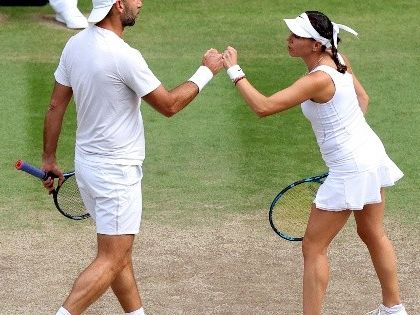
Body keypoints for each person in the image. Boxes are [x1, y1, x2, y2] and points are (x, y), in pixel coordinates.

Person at [41, 0, 223, 314]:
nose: (140, 3)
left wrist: (48, 159)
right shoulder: (125, 56)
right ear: (118, 5)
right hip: (116, 173)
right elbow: (169, 105)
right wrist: (206, 71)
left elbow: (56, 106)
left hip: (88, 168)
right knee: (111, 260)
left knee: (118, 254)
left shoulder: (74, 45)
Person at [222, 10, 407, 315]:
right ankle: (393, 308)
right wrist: (350, 145)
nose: (289, 40)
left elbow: (263, 107)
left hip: (353, 166)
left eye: (297, 36)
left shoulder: (318, 80)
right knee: (373, 233)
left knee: (313, 246)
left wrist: (234, 70)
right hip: (370, 156)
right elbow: (363, 100)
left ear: (317, 45)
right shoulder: (339, 60)